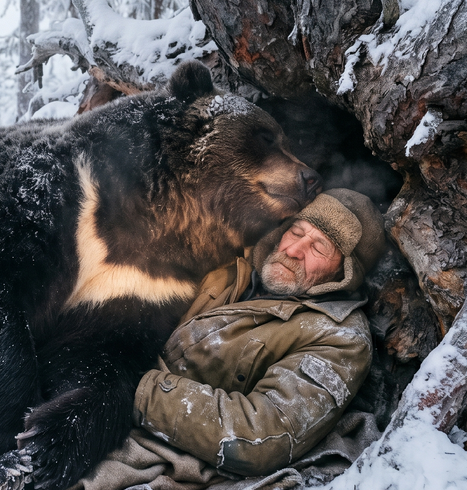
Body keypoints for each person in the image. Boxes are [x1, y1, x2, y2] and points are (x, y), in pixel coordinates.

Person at [74, 188, 386, 490]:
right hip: (98, 390)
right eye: (296, 232)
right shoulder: (228, 262)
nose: (293, 250)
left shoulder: (340, 339)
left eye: (318, 248)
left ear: (345, 273)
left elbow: (260, 436)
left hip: (152, 435)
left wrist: (134, 387)